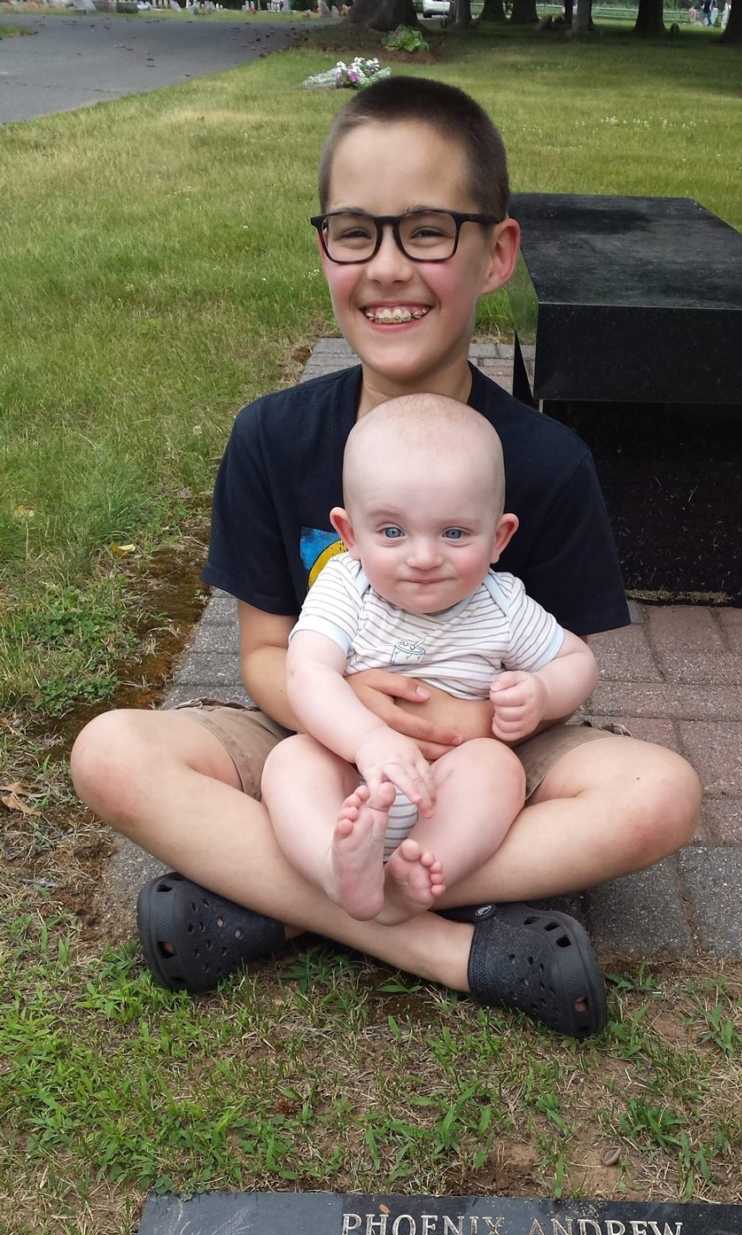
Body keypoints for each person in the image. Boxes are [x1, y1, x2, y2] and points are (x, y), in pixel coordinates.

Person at [70, 76, 701, 1037]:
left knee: (661, 795)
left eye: (429, 231)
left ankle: (277, 902)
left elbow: (563, 665)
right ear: (324, 246)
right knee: (110, 752)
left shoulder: (546, 461)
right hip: (318, 736)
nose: (389, 267)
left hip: (492, 752)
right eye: (356, 232)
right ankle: (453, 943)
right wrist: (357, 721)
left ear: (497, 252)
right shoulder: (273, 438)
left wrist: (481, 720)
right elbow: (264, 659)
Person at [261, 394, 599, 925]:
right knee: (292, 762)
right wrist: (368, 740)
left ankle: (420, 871)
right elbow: (307, 671)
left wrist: (542, 693)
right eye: (392, 532)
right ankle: (336, 867)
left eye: (455, 533)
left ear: (499, 537)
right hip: (351, 775)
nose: (423, 558)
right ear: (349, 534)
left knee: (497, 769)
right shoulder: (344, 588)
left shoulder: (503, 603)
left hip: (447, 787)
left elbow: (578, 660)